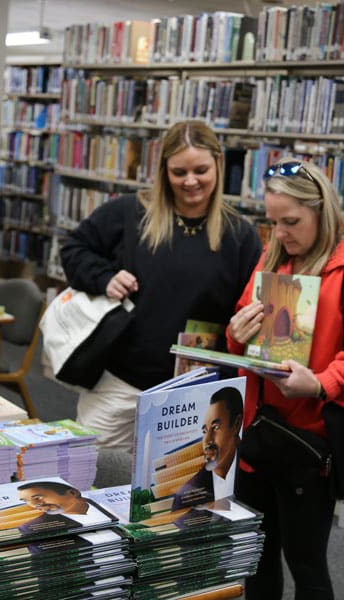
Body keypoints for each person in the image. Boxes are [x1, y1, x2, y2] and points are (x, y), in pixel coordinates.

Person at [227, 157, 344, 600]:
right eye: (272, 222)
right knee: (256, 559)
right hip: (258, 435)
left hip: (310, 444)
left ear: (321, 210)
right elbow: (245, 337)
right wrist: (236, 335)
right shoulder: (274, 258)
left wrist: (322, 383)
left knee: (306, 565)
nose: (280, 234)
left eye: (291, 221)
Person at [60, 119, 262, 451]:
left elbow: (248, 307)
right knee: (90, 475)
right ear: (164, 171)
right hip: (119, 383)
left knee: (174, 495)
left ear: (219, 165)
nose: (191, 181)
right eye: (179, 172)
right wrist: (104, 277)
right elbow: (74, 249)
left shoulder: (240, 235)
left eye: (201, 170)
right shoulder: (130, 213)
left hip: (194, 393)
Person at [172, 386, 243, 509]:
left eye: (216, 427)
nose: (207, 440)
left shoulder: (254, 472)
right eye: (205, 431)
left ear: (236, 425)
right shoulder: (187, 496)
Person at [16, 480, 112, 536]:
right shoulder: (31, 528)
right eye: (26, 501)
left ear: (73, 493)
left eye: (37, 498)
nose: (34, 505)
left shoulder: (105, 505)